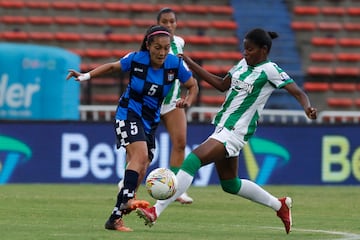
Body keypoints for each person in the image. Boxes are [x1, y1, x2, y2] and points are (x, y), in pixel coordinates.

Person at [136, 28, 318, 234]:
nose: (245, 53)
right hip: (223, 127)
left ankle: (155, 211)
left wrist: (307, 108)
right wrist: (191, 63)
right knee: (230, 184)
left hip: (236, 131)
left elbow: (297, 91)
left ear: (264, 50)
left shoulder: (270, 70)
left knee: (192, 161)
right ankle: (280, 205)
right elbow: (221, 85)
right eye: (244, 49)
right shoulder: (242, 65)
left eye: (250, 50)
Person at [67, 25, 198, 232]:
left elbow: (192, 85)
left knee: (143, 165)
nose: (162, 52)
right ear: (148, 45)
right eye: (157, 48)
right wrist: (85, 76)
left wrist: (187, 100)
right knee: (139, 155)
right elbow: (111, 67)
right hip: (128, 114)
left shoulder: (175, 64)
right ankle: (128, 199)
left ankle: (115, 218)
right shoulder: (137, 59)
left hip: (150, 120)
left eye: (165, 48)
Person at [117, 7, 195, 204]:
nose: (169, 25)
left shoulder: (179, 43)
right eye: (165, 22)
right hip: (147, 103)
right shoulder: (152, 46)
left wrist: (187, 97)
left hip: (170, 102)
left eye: (172, 22)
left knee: (181, 142)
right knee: (140, 151)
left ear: (176, 24)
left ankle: (174, 187)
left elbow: (186, 75)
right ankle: (129, 184)